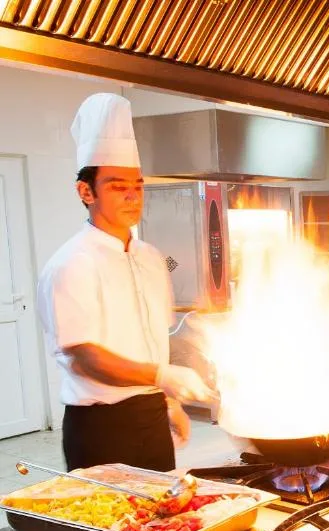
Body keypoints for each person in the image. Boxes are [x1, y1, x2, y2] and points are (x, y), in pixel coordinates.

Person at [37, 93, 214, 472]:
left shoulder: (150, 258)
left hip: (151, 416)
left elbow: (151, 342)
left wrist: (168, 401)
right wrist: (162, 376)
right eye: (118, 186)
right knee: (109, 511)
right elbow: (86, 358)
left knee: (165, 507)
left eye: (138, 185)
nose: (133, 196)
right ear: (86, 192)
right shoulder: (72, 263)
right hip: (101, 425)